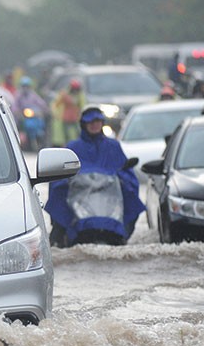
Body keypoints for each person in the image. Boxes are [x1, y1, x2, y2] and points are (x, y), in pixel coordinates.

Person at [45, 105, 146, 247]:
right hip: (78, 197)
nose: (94, 125)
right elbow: (60, 175)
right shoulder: (73, 147)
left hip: (110, 197)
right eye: (90, 122)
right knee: (58, 195)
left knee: (133, 199)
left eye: (97, 122)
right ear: (84, 124)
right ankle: (60, 238)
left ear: (102, 124)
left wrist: (122, 179)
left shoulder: (113, 146)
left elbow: (126, 171)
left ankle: (123, 234)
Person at [12, 76, 49, 151]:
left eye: (27, 86)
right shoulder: (18, 95)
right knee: (19, 126)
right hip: (23, 117)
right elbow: (15, 106)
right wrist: (17, 111)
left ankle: (41, 138)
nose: (25, 88)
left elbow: (40, 103)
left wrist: (45, 109)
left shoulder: (33, 95)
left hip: (33, 116)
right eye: (24, 86)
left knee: (41, 123)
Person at [49, 79, 85, 146]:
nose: (75, 90)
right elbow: (56, 104)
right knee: (66, 135)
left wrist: (82, 114)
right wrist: (55, 113)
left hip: (75, 117)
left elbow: (82, 105)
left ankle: (78, 145)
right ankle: (67, 146)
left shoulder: (80, 95)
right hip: (66, 117)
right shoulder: (64, 94)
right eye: (74, 89)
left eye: (76, 89)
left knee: (78, 132)